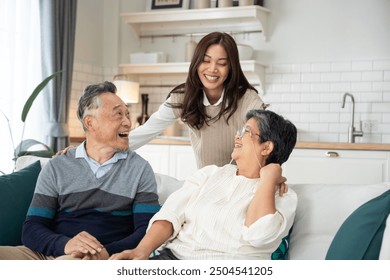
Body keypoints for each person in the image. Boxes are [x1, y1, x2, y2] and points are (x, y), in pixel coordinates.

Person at [0, 81, 160, 260]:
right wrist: (65, 244)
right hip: (43, 254)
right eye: (118, 114)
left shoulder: (139, 169)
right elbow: (32, 229)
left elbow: (147, 231)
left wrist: (106, 252)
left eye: (127, 115)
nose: (128, 122)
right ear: (90, 123)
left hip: (93, 257)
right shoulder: (57, 166)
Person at [110, 109, 298, 260]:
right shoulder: (210, 174)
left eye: (246, 132)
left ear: (266, 147)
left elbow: (259, 235)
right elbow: (170, 215)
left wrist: (268, 179)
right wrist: (141, 251)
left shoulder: (283, 196)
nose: (237, 137)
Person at [129, 32, 265, 168]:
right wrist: (112, 149)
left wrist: (272, 173)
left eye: (222, 63)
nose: (212, 69)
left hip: (241, 182)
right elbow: (147, 130)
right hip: (205, 182)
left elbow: (269, 135)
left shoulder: (246, 98)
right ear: (196, 62)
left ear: (231, 67)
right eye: (206, 61)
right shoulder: (184, 97)